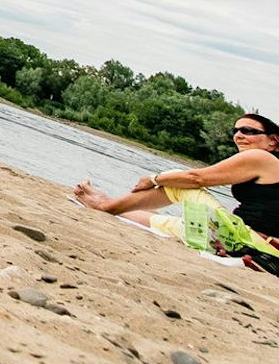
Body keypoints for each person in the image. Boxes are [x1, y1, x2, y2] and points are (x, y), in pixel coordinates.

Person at [72, 113, 279, 272]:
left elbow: (196, 178)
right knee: (165, 222)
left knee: (177, 178)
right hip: (251, 242)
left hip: (250, 241)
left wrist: (153, 179)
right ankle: (109, 204)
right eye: (235, 130)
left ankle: (105, 205)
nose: (239, 135)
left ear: (273, 141)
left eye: (249, 131)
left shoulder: (261, 158)